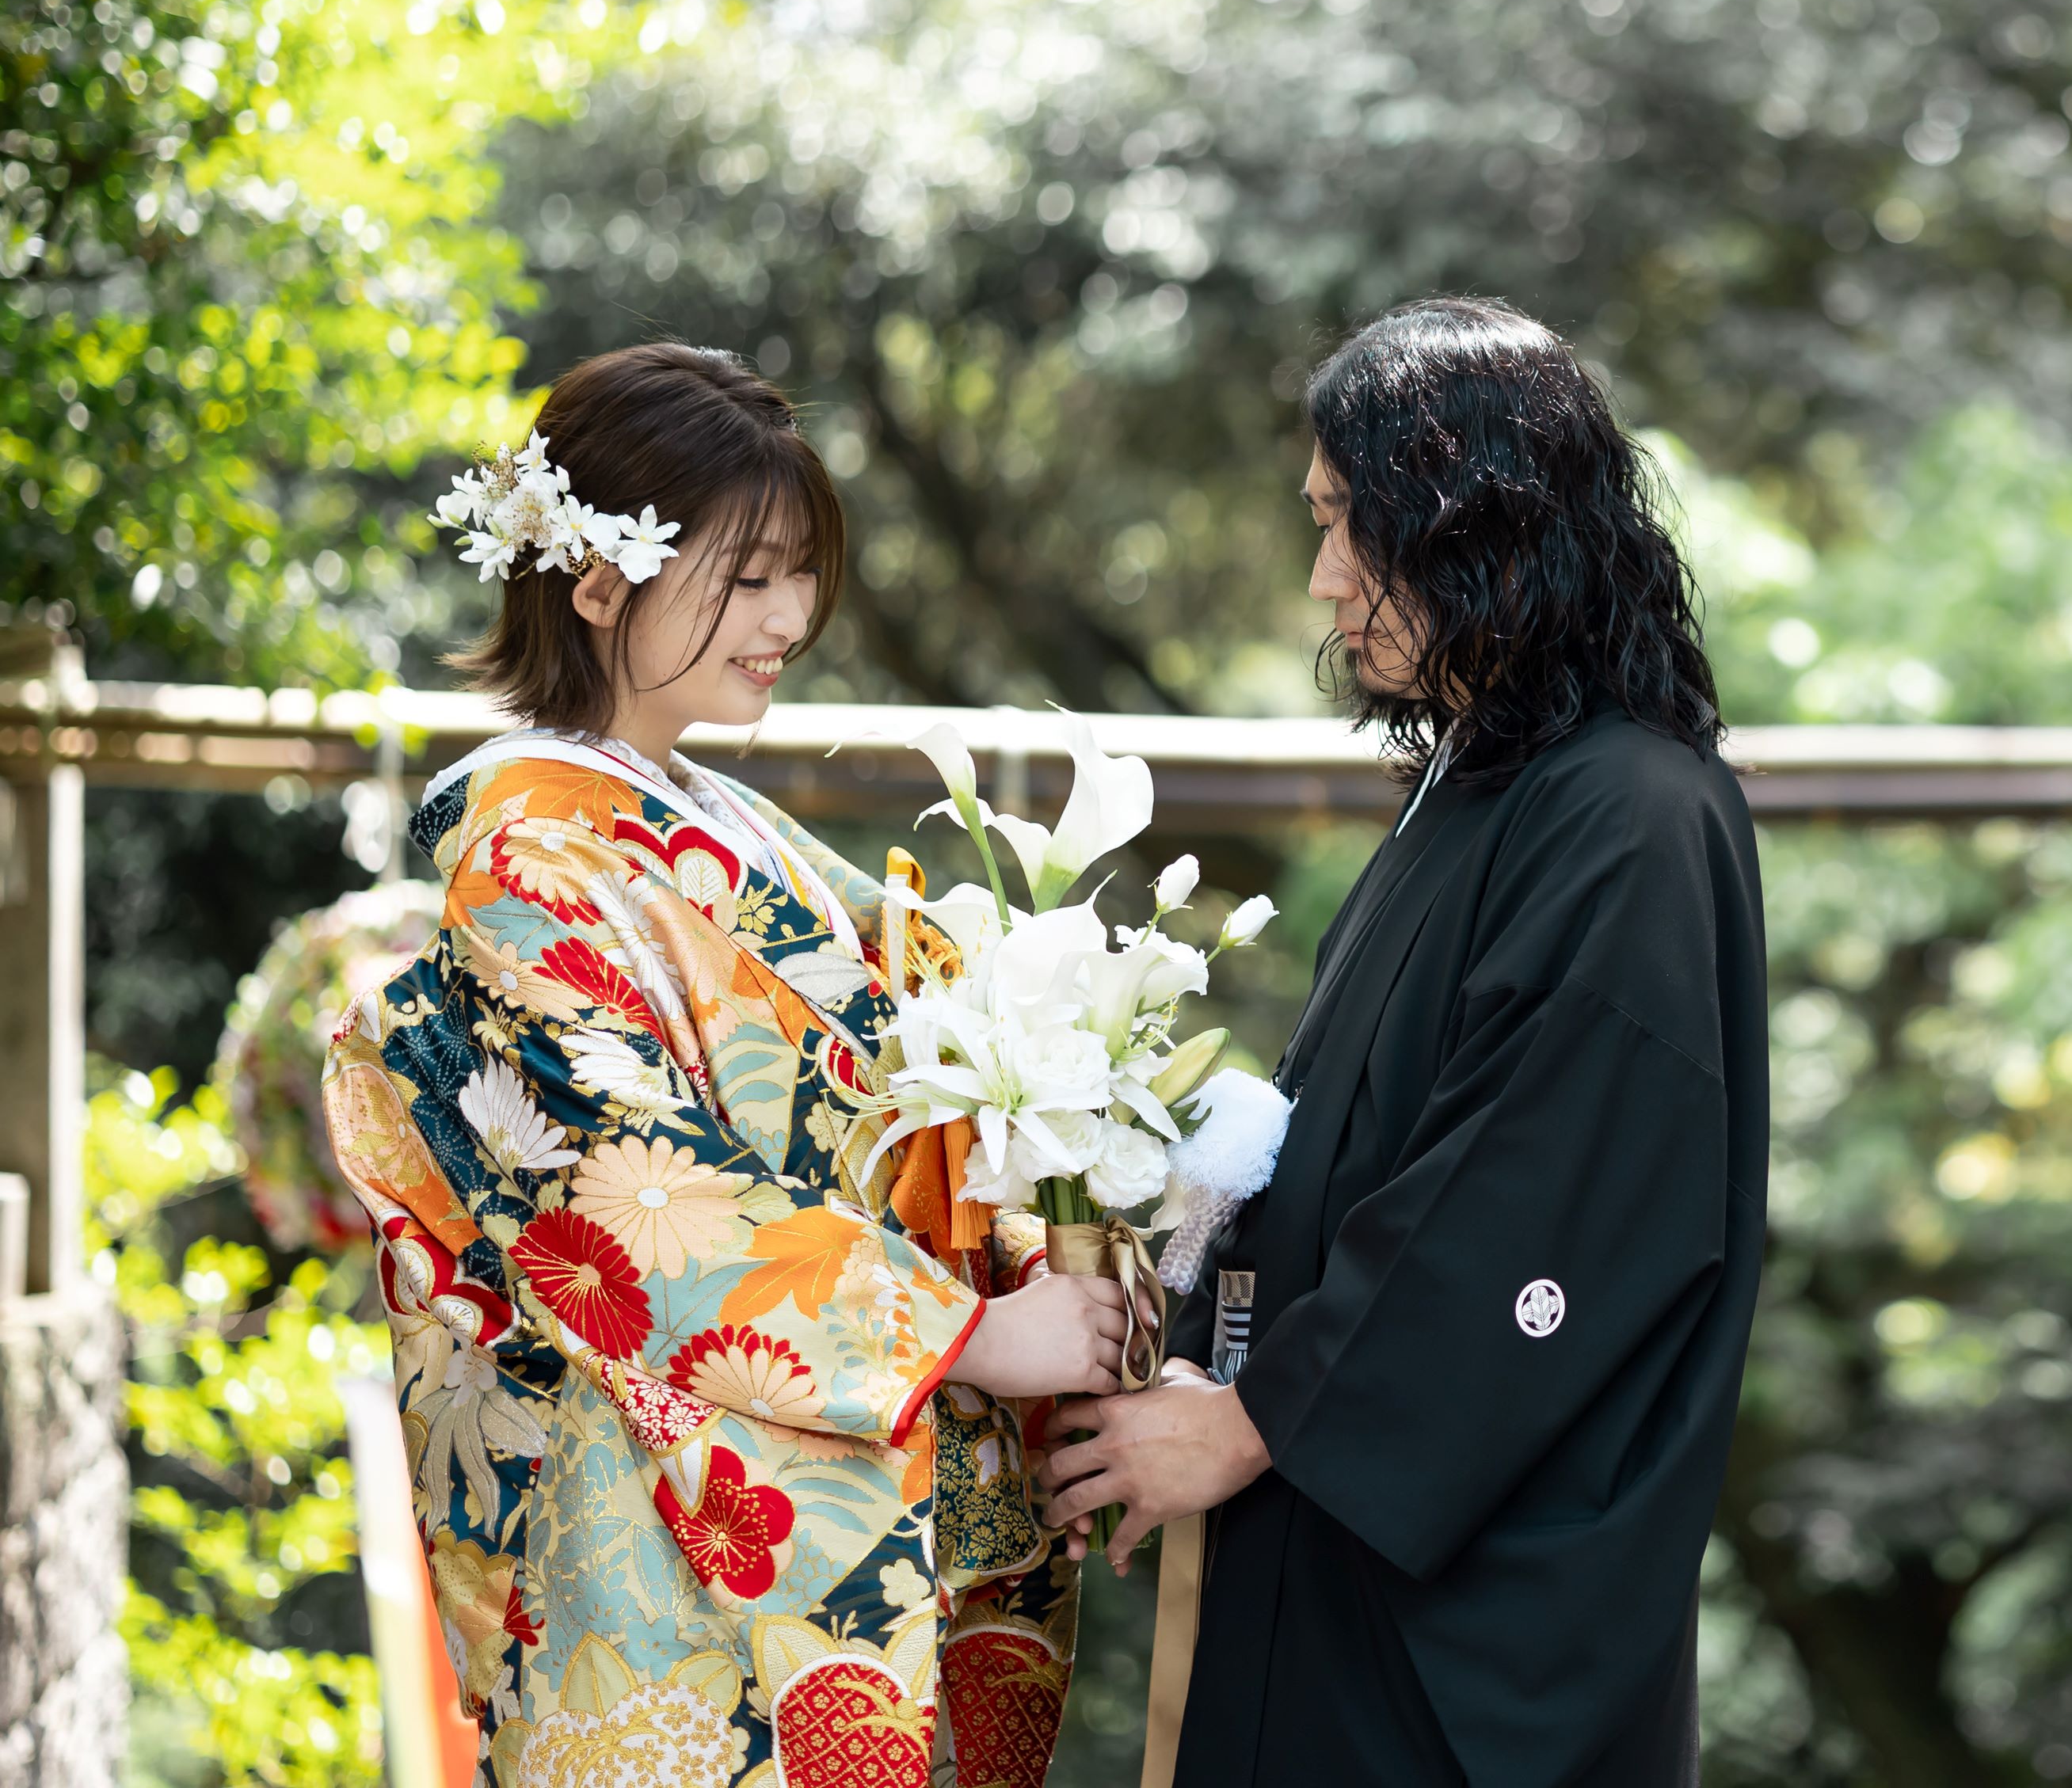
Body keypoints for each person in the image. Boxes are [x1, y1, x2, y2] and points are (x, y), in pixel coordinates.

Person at [319, 342, 1120, 1788]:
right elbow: (636, 1197)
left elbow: (929, 1059)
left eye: (802, 572)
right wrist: (974, 1337)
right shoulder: (524, 864)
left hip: (809, 1486)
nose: (793, 614)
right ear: (599, 584)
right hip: (664, 1521)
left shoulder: (714, 821)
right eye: (747, 577)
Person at [1041, 298, 1770, 1786]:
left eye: (1347, 524)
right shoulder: (1486, 789)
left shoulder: (1629, 816)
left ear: (1472, 526)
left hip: (1466, 1625)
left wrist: (1261, 1420)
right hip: (1333, 1554)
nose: (1323, 579)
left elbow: (1532, 1200)